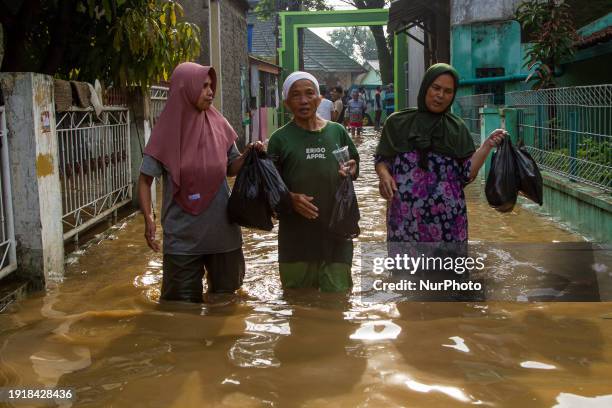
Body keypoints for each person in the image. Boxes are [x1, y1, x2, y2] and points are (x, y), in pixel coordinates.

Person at [138, 62, 263, 303]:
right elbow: (144, 181)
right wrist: (149, 218)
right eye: (203, 86)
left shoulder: (220, 125)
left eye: (210, 86)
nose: (210, 92)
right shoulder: (164, 133)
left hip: (223, 234)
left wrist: (249, 154)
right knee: (181, 312)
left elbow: (231, 167)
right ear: (185, 87)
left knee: (226, 304)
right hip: (182, 239)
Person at [374, 63, 507, 243]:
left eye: (448, 91)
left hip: (448, 224)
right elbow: (382, 160)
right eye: (435, 88)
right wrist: (384, 175)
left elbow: (467, 173)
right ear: (425, 87)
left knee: (447, 270)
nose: (440, 95)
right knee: (404, 270)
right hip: (405, 222)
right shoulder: (397, 123)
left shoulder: (457, 128)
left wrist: (487, 145)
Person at [267, 71, 360, 292]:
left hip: (336, 231)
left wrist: (352, 168)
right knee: (298, 302)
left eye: (309, 94)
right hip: (296, 237)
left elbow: (353, 164)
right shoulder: (279, 140)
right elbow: (268, 189)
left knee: (338, 300)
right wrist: (289, 199)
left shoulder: (337, 132)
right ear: (286, 102)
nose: (304, 100)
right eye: (296, 95)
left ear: (319, 98)